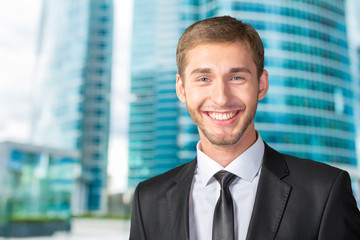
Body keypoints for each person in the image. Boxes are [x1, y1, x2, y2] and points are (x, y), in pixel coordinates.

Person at [129, 16, 360, 240]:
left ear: (261, 84)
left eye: (237, 77)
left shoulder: (325, 191)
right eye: (203, 79)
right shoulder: (148, 199)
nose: (221, 98)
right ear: (181, 89)